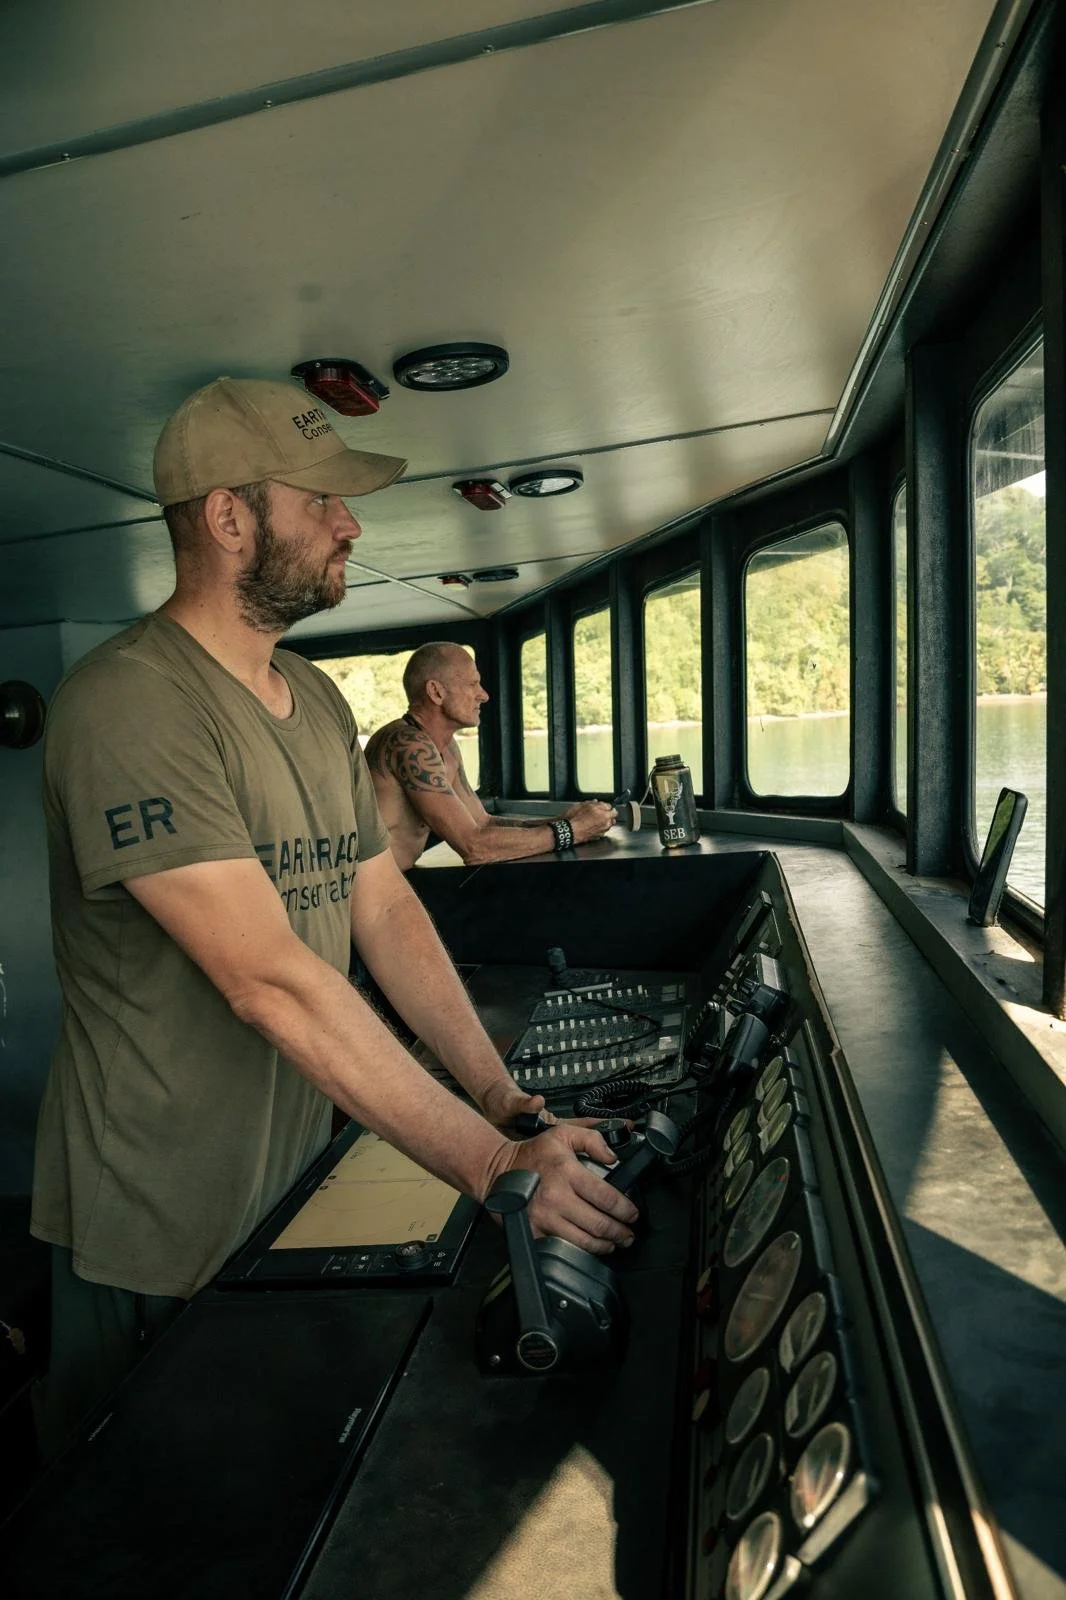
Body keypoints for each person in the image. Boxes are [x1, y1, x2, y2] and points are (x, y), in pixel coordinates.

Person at [30, 376, 637, 1446]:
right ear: (229, 518)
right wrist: (491, 1169)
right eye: (322, 500)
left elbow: (381, 904)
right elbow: (263, 977)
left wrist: (504, 1104)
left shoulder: (311, 698)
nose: (350, 522)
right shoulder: (129, 703)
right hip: (153, 1219)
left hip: (286, 1185)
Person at [365, 642, 615, 868]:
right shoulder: (407, 743)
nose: (483, 695)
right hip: (361, 895)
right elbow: (474, 847)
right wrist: (573, 830)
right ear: (436, 692)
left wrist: (560, 821)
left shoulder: (445, 746)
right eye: (473, 684)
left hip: (396, 882)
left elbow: (482, 824)